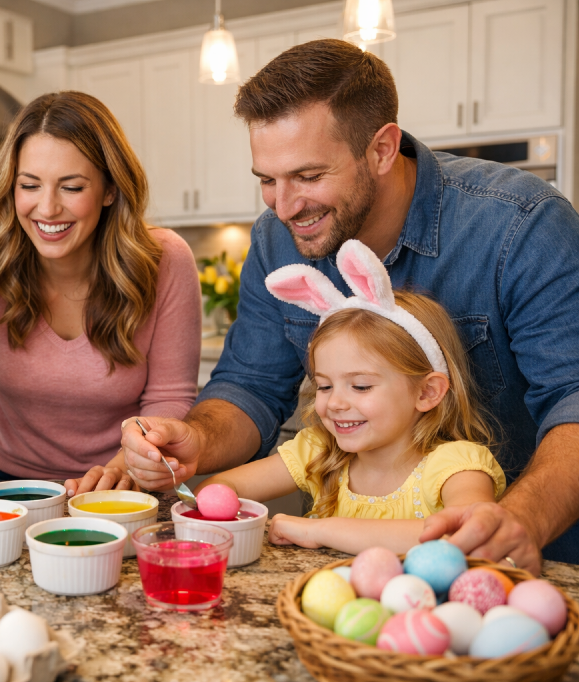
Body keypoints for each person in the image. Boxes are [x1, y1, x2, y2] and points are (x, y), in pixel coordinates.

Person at [117, 39, 579, 575]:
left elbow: (572, 398)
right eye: (267, 180)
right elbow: (250, 385)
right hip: (339, 571)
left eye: (309, 176)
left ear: (382, 150)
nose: (283, 208)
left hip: (541, 559)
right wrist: (197, 439)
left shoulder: (520, 224)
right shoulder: (276, 239)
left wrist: (520, 519)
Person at [0, 91, 201, 491]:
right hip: (4, 480)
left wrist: (122, 467)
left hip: (119, 480)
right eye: (29, 185)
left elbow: (169, 399)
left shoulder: (166, 260)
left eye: (72, 187)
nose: (47, 208)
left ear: (110, 189)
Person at [198, 240, 505, 555]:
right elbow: (219, 488)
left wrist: (319, 530)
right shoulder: (319, 451)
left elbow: (467, 534)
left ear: (427, 392)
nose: (334, 403)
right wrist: (216, 501)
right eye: (324, 386)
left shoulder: (456, 467)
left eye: (360, 386)